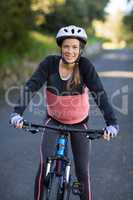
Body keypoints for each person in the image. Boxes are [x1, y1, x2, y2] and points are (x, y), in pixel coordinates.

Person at [10, 25, 119, 200]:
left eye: (75, 47)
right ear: (61, 47)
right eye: (66, 46)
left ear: (80, 49)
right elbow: (31, 87)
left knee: (82, 172)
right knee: (44, 164)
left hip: (79, 123)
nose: (70, 51)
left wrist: (111, 124)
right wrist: (17, 113)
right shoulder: (49, 63)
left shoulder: (85, 66)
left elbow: (100, 95)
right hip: (53, 120)